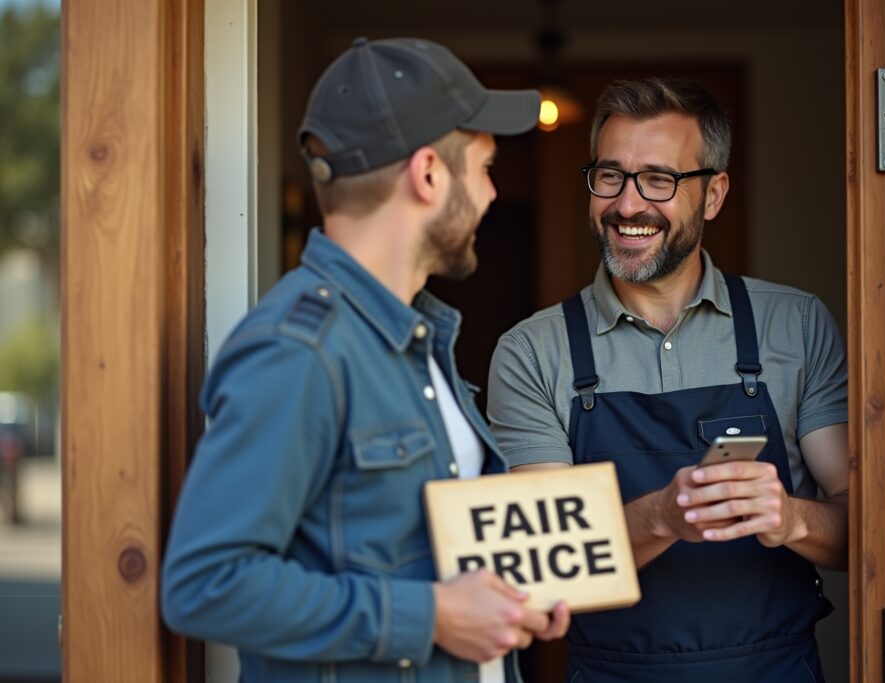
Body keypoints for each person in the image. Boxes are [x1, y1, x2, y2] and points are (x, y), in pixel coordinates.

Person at [161, 36, 569, 683]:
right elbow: (205, 582)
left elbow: (409, 549)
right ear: (429, 173)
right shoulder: (298, 350)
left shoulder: (420, 337)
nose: (492, 194)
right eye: (485, 167)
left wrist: (505, 596)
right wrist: (431, 614)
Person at [487, 77, 849, 682]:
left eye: (659, 180)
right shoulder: (532, 351)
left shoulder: (797, 325)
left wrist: (789, 519)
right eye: (610, 176)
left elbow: (870, 536)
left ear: (713, 195)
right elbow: (542, 568)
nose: (628, 206)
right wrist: (663, 516)